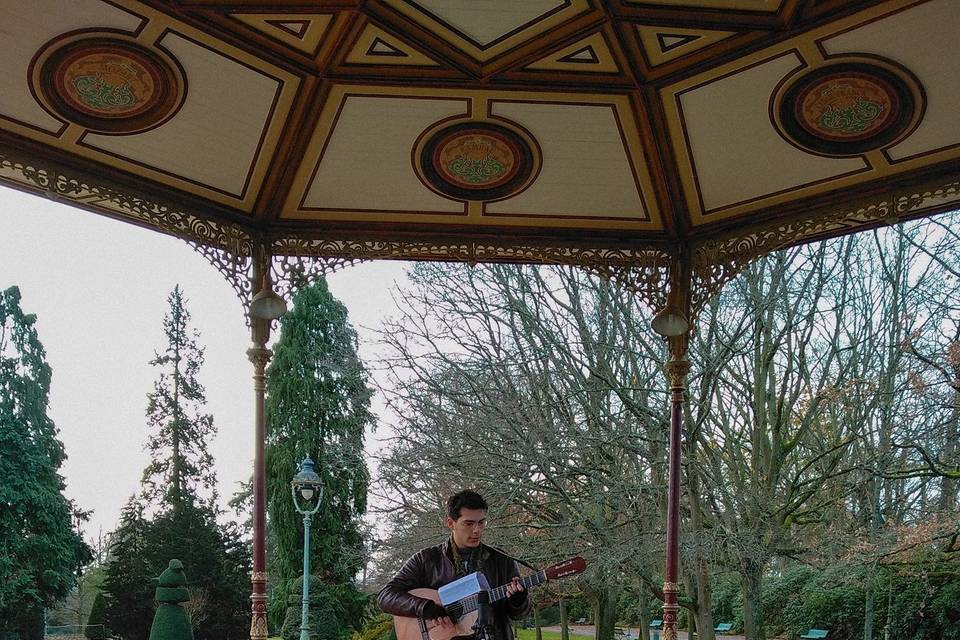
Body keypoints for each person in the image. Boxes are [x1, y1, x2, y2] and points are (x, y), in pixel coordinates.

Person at [377, 490, 530, 639]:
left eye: (481, 522)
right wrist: (424, 607)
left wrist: (518, 601)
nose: (477, 530)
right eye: (469, 523)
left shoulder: (501, 559)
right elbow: (385, 596)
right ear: (451, 523)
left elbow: (518, 615)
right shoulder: (426, 559)